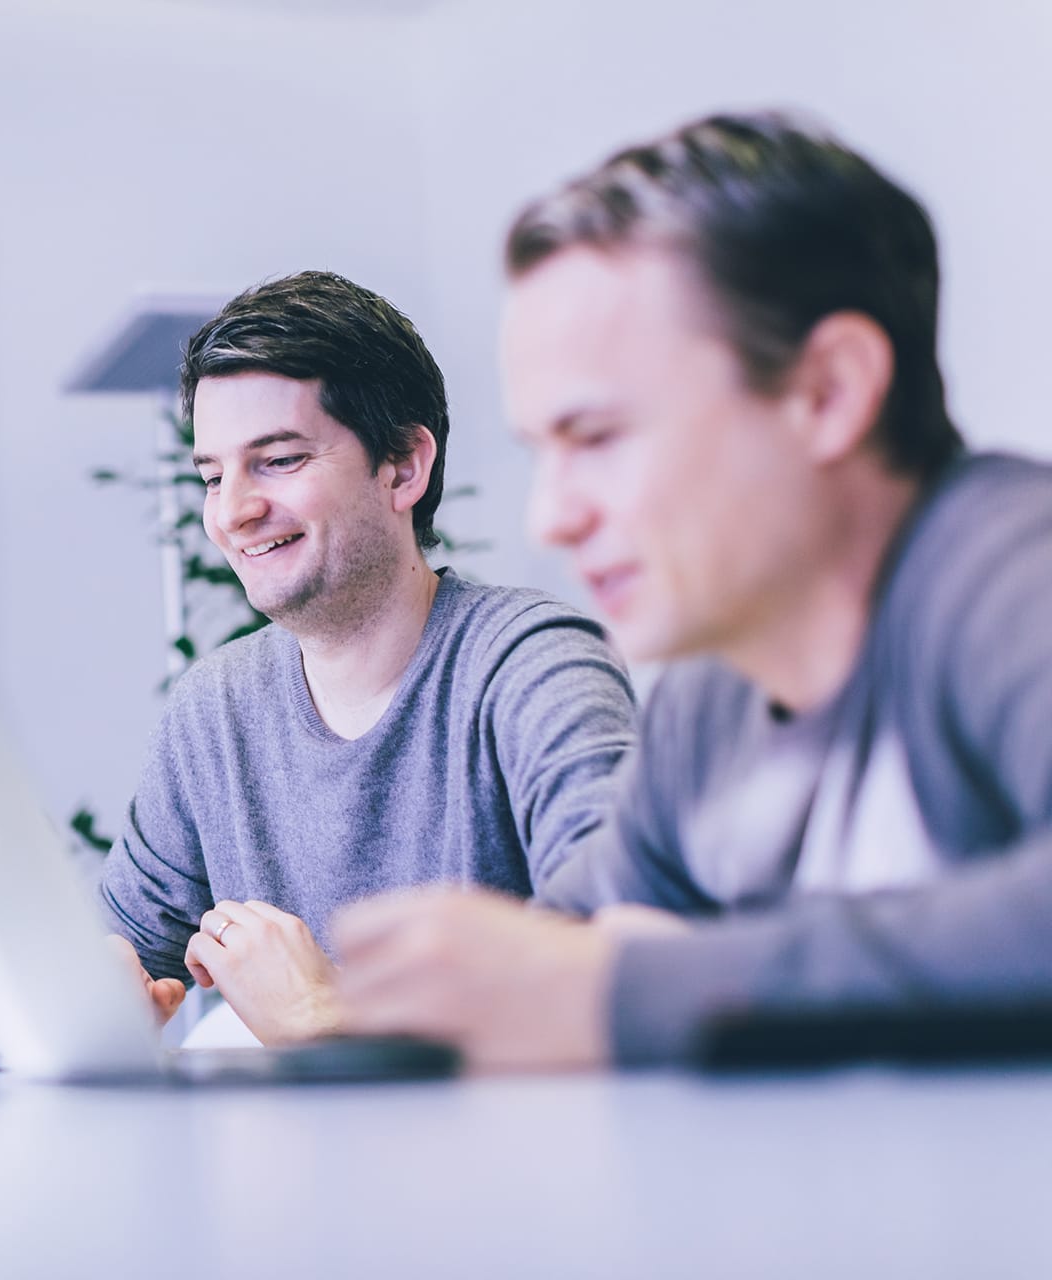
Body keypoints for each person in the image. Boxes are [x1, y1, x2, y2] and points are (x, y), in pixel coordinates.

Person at [334, 111, 1052, 1070]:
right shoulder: (712, 697)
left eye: (596, 438)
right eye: (541, 452)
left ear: (828, 393)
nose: (550, 519)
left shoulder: (1008, 568)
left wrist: (637, 991)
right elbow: (566, 957)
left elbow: (602, 986)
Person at [99, 270, 637, 1044]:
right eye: (212, 475)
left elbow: (617, 983)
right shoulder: (214, 708)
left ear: (404, 466)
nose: (233, 511)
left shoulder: (532, 665)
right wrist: (103, 996)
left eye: (279, 460)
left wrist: (329, 1021)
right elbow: (129, 950)